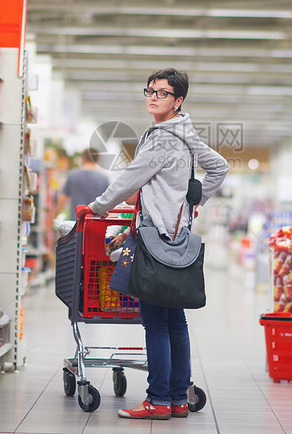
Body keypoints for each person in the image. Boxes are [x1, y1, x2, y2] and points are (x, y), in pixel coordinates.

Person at [80, 68, 229, 420]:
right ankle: (177, 398)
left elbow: (131, 177)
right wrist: (195, 201)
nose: (152, 96)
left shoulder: (162, 136)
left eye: (162, 93)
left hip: (154, 235)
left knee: (156, 321)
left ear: (178, 100)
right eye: (149, 90)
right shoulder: (185, 132)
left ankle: (158, 400)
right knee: (175, 320)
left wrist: (97, 207)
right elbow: (219, 167)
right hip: (177, 236)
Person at [56, 148, 110, 220]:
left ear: (83, 158)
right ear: (97, 160)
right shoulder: (104, 179)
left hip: (76, 222)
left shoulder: (72, 175)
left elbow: (62, 198)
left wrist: (54, 217)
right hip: (96, 222)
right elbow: (109, 203)